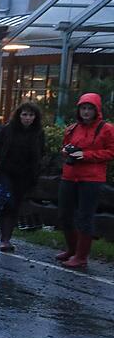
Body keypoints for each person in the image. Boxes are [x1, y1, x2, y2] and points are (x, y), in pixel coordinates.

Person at [56, 92, 114, 269]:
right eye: (83, 108)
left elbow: (111, 151)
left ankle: (81, 256)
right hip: (69, 176)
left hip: (91, 179)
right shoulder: (72, 128)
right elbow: (64, 147)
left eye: (90, 108)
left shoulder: (107, 129)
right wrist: (67, 152)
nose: (86, 112)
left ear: (96, 110)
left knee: (85, 216)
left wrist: (85, 155)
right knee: (65, 214)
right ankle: (72, 250)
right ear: (78, 110)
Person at [0, 101, 44, 252]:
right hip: (6, 171)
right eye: (25, 114)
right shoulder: (8, 129)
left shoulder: (38, 133)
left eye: (31, 115)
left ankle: (6, 239)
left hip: (25, 175)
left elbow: (42, 153)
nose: (28, 118)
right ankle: (4, 239)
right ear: (19, 115)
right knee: (8, 203)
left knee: (15, 206)